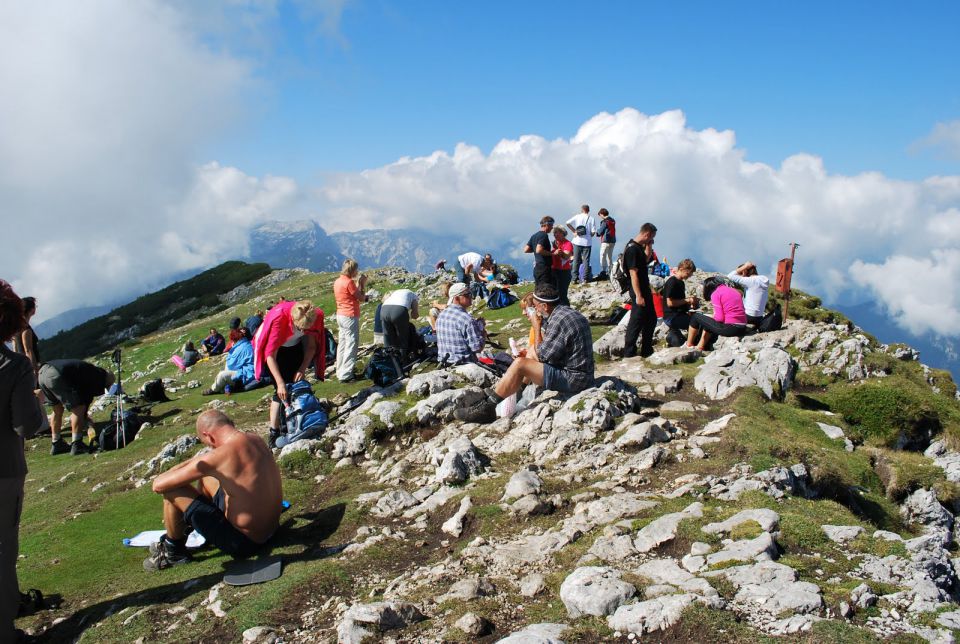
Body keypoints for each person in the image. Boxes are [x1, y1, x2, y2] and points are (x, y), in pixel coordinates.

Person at [143, 410, 282, 570]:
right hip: (271, 529)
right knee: (207, 477)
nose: (211, 448)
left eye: (208, 444)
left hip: (246, 543)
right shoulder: (254, 438)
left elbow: (158, 485)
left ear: (208, 436)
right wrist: (205, 458)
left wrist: (198, 459)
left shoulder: (219, 455)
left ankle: (173, 550)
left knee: (172, 490)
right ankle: (197, 528)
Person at [456, 284, 594, 422]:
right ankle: (514, 394)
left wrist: (536, 326)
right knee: (531, 351)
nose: (535, 311)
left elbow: (543, 356)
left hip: (575, 380)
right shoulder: (565, 313)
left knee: (520, 364)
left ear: (545, 306)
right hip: (581, 373)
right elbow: (547, 351)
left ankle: (488, 407)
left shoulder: (558, 321)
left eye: (535, 306)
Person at [1, 280, 46, 642]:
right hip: (4, 471)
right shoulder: (12, 365)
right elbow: (26, 425)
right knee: (3, 549)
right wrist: (39, 408)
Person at [252, 300, 326, 447]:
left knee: (296, 386)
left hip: (295, 346)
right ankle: (274, 432)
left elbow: (311, 347)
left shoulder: (314, 316)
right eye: (301, 328)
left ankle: (293, 421)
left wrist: (302, 369)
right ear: (293, 320)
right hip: (277, 353)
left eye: (307, 329)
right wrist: (279, 383)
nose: (304, 331)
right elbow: (270, 355)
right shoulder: (279, 320)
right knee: (281, 391)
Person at [38, 359, 114, 455]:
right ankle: (77, 444)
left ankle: (56, 443)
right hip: (57, 374)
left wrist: (84, 416)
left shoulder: (89, 370)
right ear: (106, 381)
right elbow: (86, 399)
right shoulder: (97, 377)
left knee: (57, 409)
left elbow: (84, 396)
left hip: (42, 373)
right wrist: (85, 417)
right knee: (78, 408)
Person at [623, 223, 658, 358]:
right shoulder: (632, 249)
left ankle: (647, 350)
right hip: (638, 290)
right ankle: (629, 352)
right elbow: (633, 274)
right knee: (636, 321)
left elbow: (646, 259)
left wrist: (649, 246)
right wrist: (638, 295)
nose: (651, 239)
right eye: (651, 237)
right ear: (647, 234)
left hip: (645, 289)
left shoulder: (638, 248)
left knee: (651, 319)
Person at [687, 278, 748, 350]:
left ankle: (689, 345)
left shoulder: (716, 293)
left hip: (731, 328)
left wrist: (712, 316)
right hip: (742, 327)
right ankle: (700, 346)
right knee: (708, 322)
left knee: (695, 316)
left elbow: (719, 318)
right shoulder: (734, 291)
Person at [333, 259, 369, 383]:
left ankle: (340, 370)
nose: (357, 272)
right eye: (356, 270)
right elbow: (361, 298)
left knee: (343, 343)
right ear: (352, 270)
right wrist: (362, 284)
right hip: (350, 315)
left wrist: (358, 284)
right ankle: (346, 374)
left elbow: (352, 295)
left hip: (340, 315)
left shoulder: (338, 281)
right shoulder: (349, 282)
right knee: (352, 343)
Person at [436, 283, 485, 365]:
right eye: (467, 295)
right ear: (456, 298)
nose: (471, 297)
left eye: (470, 294)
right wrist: (482, 331)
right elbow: (477, 348)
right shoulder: (467, 319)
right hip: (464, 364)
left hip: (444, 362)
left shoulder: (441, 315)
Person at [203, 329, 255, 395]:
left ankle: (213, 390)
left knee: (222, 375)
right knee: (226, 369)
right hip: (245, 370)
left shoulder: (241, 348)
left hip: (245, 375)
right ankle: (225, 386)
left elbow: (232, 365)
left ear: (235, 339)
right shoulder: (246, 344)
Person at [661, 259, 699, 335]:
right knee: (696, 322)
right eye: (688, 273)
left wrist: (691, 305)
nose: (689, 276)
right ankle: (690, 344)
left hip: (679, 314)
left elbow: (680, 301)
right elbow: (670, 303)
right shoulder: (672, 282)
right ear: (681, 269)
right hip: (671, 317)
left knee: (699, 319)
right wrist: (688, 300)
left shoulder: (681, 283)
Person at [380, 288, 420, 360]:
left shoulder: (396, 293)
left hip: (384, 309)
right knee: (403, 337)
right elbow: (415, 315)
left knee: (388, 337)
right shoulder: (414, 296)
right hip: (399, 311)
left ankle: (388, 360)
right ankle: (403, 360)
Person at [728, 261, 771, 326]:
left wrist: (745, 266)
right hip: (759, 318)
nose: (740, 276)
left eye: (740, 273)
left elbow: (730, 276)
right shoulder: (764, 280)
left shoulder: (751, 281)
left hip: (748, 317)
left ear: (744, 271)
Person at [524, 216, 556, 289]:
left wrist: (536, 249)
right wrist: (552, 253)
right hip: (544, 267)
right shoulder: (543, 235)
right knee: (545, 289)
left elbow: (526, 249)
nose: (552, 227)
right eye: (551, 225)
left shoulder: (534, 236)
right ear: (547, 225)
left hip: (537, 268)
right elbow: (539, 250)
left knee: (538, 288)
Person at [566, 204, 595, 283]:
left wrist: (574, 231)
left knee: (576, 259)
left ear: (582, 210)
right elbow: (593, 232)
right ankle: (585, 278)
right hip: (587, 242)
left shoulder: (577, 216)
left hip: (577, 241)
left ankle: (574, 278)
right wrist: (589, 235)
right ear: (588, 210)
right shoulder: (591, 218)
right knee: (586, 260)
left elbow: (567, 223)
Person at [551, 227, 574, 306]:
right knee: (554, 294)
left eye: (557, 232)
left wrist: (558, 250)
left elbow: (567, 256)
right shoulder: (553, 243)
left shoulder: (567, 243)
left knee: (562, 295)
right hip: (553, 270)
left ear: (563, 233)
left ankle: (567, 311)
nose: (555, 234)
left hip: (563, 272)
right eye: (554, 233)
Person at [595, 208, 617, 280]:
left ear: (602, 214)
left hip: (606, 240)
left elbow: (600, 231)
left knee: (602, 255)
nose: (600, 217)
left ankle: (603, 271)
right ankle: (611, 271)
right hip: (612, 240)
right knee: (609, 256)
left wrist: (596, 232)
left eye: (600, 215)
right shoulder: (612, 220)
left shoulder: (605, 221)